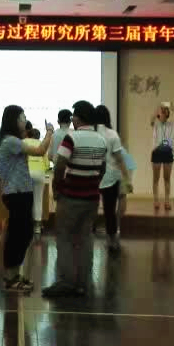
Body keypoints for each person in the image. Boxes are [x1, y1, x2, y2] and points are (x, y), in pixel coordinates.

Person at [42, 101, 109, 299]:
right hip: (91, 198)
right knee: (86, 238)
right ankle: (82, 283)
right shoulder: (101, 140)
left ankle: (67, 282)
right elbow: (103, 169)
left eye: (74, 116)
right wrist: (93, 184)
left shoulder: (72, 138)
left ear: (79, 118)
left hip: (70, 197)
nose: (72, 119)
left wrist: (57, 188)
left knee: (64, 238)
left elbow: (60, 165)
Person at [0, 105, 53, 292]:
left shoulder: (12, 140)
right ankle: (10, 278)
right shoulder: (10, 141)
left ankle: (15, 275)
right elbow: (40, 150)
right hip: (16, 193)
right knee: (18, 235)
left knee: (23, 233)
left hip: (21, 191)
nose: (25, 120)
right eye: (22, 117)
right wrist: (49, 132)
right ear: (14, 120)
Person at [94, 104, 130, 252]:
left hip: (93, 177)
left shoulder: (92, 134)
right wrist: (127, 177)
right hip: (111, 177)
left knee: (90, 208)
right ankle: (111, 240)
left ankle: (87, 235)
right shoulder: (112, 134)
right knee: (109, 210)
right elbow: (119, 159)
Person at [149, 102, 174, 214]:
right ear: (159, 114)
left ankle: (167, 201)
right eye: (162, 111)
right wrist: (158, 107)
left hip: (168, 152)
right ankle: (156, 201)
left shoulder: (172, 125)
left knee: (167, 178)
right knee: (156, 178)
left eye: (166, 111)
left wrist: (173, 108)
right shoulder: (156, 124)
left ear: (168, 114)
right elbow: (151, 119)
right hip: (157, 152)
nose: (164, 112)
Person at [24, 127, 50, 234]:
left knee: (25, 199)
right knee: (38, 200)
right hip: (39, 173)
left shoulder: (24, 141)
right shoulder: (41, 144)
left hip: (26, 173)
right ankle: (37, 227)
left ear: (28, 134)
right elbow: (47, 165)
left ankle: (25, 225)